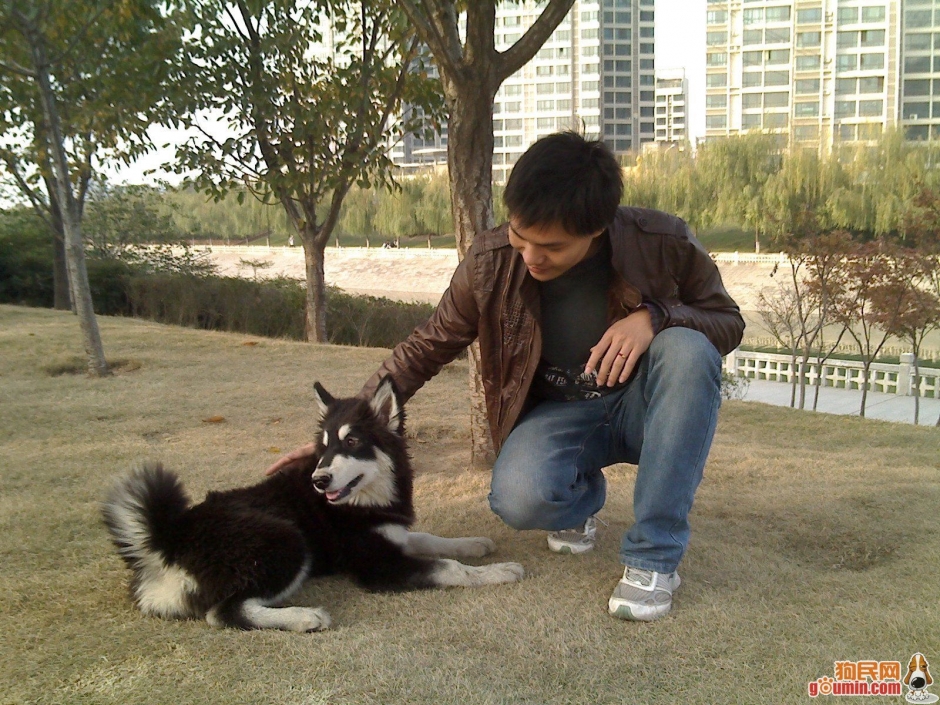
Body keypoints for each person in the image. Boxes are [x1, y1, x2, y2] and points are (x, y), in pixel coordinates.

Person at [267, 132, 745, 621]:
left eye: (552, 246)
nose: (531, 256)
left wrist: (655, 317)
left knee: (687, 346)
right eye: (521, 236)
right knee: (518, 499)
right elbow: (426, 346)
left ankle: (653, 557)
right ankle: (580, 502)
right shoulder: (490, 261)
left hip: (644, 406)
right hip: (560, 412)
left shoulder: (662, 241)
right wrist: (345, 432)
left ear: (597, 228)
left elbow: (727, 321)